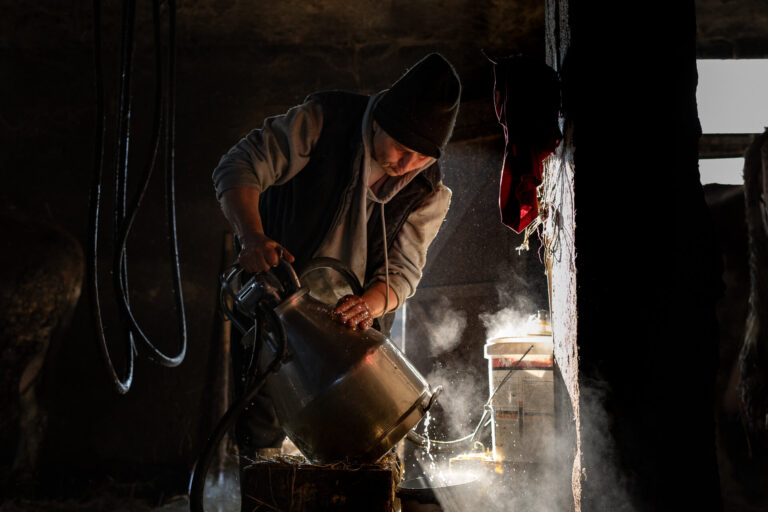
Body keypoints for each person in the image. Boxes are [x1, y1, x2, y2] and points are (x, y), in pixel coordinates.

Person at [212, 53, 461, 456]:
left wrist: (370, 303)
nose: (406, 165)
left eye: (422, 157)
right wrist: (252, 238)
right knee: (263, 428)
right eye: (399, 148)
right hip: (281, 303)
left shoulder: (428, 191)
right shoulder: (323, 122)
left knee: (362, 438)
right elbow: (239, 164)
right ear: (378, 119)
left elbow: (403, 272)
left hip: (352, 326)